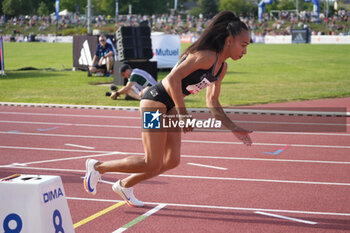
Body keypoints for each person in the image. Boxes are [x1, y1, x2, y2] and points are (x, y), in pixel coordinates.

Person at [83, 11, 253, 207]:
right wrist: (183, 114)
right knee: (151, 162)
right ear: (229, 40)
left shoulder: (221, 68)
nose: (245, 51)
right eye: (243, 45)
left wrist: (233, 127)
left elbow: (212, 102)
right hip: (154, 102)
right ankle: (97, 166)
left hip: (170, 105)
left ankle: (124, 185)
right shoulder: (206, 56)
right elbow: (172, 78)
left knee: (171, 160)